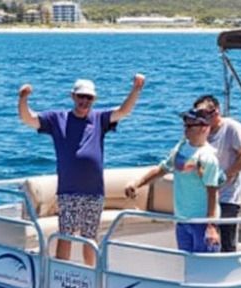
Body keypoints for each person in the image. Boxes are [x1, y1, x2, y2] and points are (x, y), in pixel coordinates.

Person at [17, 74, 146, 266]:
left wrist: (136, 89)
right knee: (66, 234)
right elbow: (28, 119)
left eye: (89, 98)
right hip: (68, 190)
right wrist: (23, 98)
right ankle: (61, 272)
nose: (84, 101)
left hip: (94, 191)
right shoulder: (57, 118)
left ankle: (90, 272)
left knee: (89, 235)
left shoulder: (100, 119)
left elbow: (123, 111)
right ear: (72, 96)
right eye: (81, 97)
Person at [124, 109, 224, 253]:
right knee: (187, 267)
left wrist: (211, 226)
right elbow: (162, 169)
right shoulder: (181, 147)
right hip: (182, 220)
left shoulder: (208, 158)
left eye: (190, 126)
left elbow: (212, 193)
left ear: (204, 128)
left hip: (201, 222)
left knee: (205, 269)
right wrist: (137, 183)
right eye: (184, 125)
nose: (185, 130)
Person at [193, 94, 241, 253]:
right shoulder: (199, 132)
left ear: (215, 112)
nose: (200, 119)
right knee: (203, 242)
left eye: (203, 114)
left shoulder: (233, 128)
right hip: (203, 196)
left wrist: (224, 176)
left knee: (226, 242)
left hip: (227, 196)